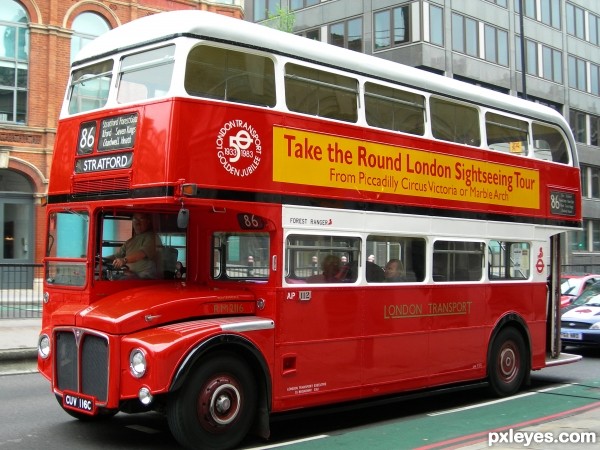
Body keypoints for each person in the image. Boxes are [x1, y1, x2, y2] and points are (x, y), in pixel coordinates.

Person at [109, 213, 160, 279]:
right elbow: (116, 256)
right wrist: (101, 260)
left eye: (141, 219)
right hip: (131, 275)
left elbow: (141, 253)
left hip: (145, 279)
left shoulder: (151, 237)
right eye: (135, 219)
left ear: (148, 221)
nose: (137, 223)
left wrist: (124, 260)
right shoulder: (130, 241)